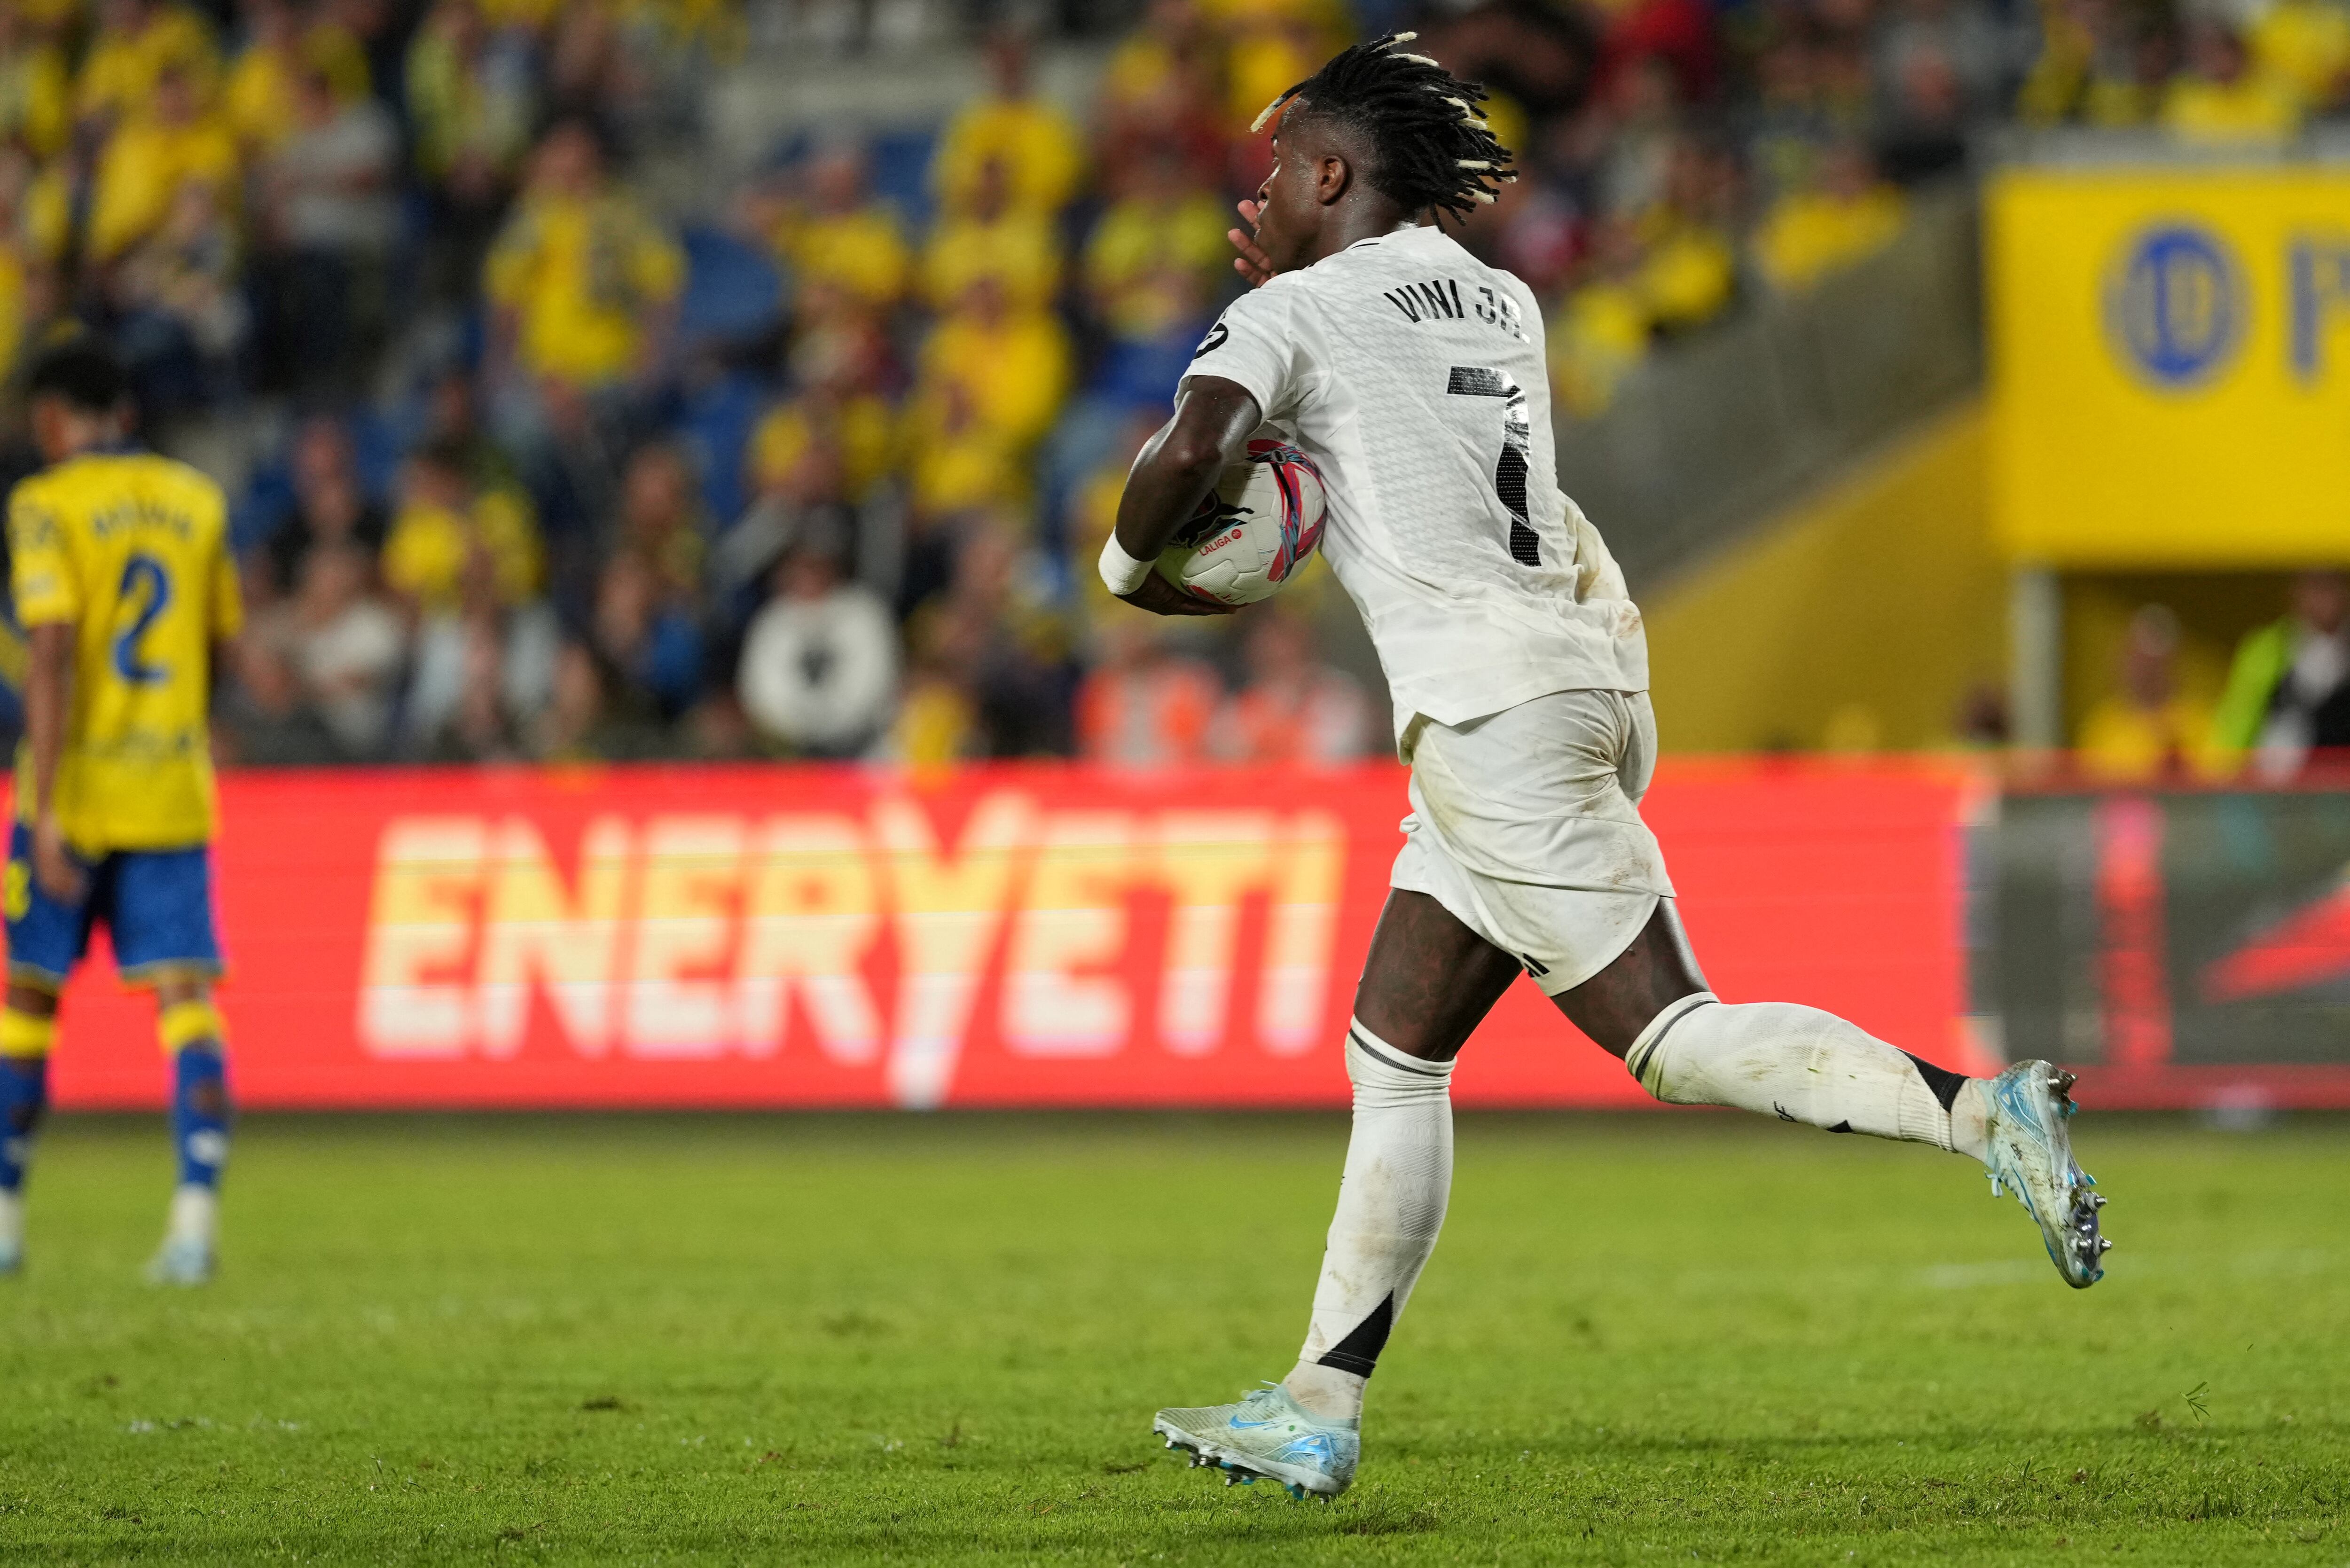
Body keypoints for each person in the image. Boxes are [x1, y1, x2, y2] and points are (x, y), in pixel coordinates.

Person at [1105, 36, 2110, 1502]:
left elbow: (1198, 446)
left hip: (1491, 713)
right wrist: (1289, 314)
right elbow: (1383, 378)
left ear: (1332, 173)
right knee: (1396, 1045)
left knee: (1670, 1037)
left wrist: (1136, 564)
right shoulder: (1499, 294)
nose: (1264, 188)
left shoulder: (1302, 314)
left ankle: (1977, 1109)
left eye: (1282, 165)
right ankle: (1318, 1403)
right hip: (1580, 673)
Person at [0, 337, 242, 1284]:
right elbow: (218, 642)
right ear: (125, 414)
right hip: (172, 789)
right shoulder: (197, 501)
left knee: (26, 1000)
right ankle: (193, 1227)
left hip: (79, 791)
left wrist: (45, 804)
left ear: (55, 420)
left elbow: (51, 649)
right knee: (189, 1006)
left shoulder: (45, 505)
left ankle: (8, 1225)